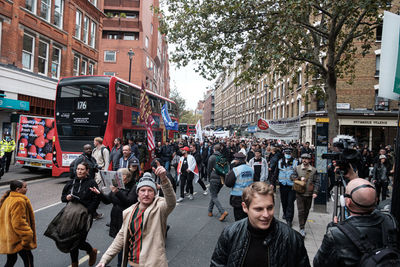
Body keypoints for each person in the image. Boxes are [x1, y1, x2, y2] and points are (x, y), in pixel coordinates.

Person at [211, 182, 310, 267]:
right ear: (245, 207)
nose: (266, 215)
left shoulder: (293, 239)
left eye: (270, 208)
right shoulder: (230, 233)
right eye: (259, 209)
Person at [96, 165, 176, 267]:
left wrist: (164, 180)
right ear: (137, 193)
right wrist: (104, 259)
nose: (146, 194)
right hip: (132, 262)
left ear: (155, 193)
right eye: (143, 190)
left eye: (150, 190)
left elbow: (171, 202)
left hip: (153, 263)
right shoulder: (129, 212)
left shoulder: (160, 207)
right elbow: (120, 238)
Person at [314, 178, 399, 266]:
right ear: (376, 200)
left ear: (348, 202)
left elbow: (319, 263)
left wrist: (333, 228)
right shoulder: (389, 220)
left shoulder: (336, 234)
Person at [90, 167, 138, 267]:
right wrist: (99, 193)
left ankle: (123, 264)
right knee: (118, 244)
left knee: (124, 245)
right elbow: (108, 200)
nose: (115, 177)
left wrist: (117, 192)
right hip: (116, 217)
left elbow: (129, 202)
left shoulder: (133, 187)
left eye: (118, 175)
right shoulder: (118, 186)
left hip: (126, 218)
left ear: (125, 177)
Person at [0, 180, 36, 267]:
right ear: (18, 189)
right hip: (18, 239)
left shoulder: (8, 198)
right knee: (28, 260)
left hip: (9, 237)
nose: (27, 189)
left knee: (11, 260)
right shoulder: (19, 201)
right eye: (25, 187)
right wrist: (27, 236)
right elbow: (19, 223)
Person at [292, 153, 320, 237]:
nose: (304, 160)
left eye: (306, 159)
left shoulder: (314, 170)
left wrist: (315, 192)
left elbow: (317, 182)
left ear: (309, 160)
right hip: (299, 193)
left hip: (309, 193)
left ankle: (302, 224)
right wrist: (299, 178)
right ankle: (302, 227)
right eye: (303, 158)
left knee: (306, 210)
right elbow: (292, 176)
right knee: (301, 211)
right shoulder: (297, 168)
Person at [225, 152, 255, 221]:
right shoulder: (251, 169)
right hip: (248, 195)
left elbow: (228, 183)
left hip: (237, 198)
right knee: (247, 216)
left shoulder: (236, 170)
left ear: (237, 160)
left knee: (238, 218)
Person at [207, 144, 229, 221]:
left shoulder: (212, 157)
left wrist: (209, 178)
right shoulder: (223, 157)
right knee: (214, 195)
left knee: (214, 196)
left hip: (214, 178)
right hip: (221, 179)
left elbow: (209, 169)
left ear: (214, 149)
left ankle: (222, 211)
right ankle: (210, 211)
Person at [278, 148, 298, 227]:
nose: (288, 154)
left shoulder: (295, 162)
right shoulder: (280, 161)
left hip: (291, 185)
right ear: (284, 153)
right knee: (284, 201)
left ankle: (289, 219)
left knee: (290, 202)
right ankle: (285, 212)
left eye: (289, 153)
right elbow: (277, 171)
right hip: (283, 184)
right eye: (286, 153)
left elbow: (298, 172)